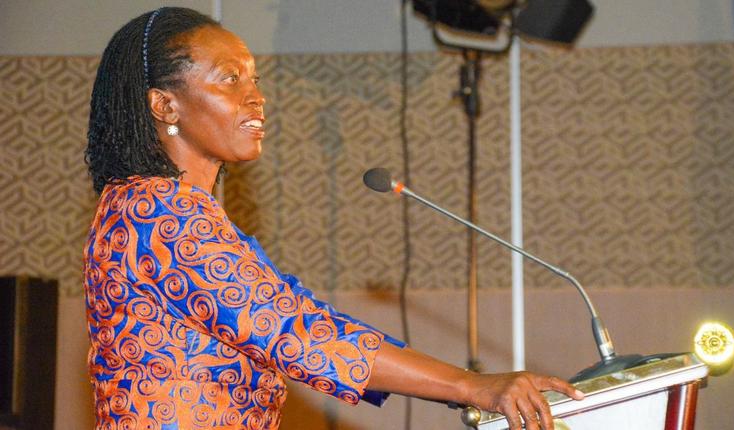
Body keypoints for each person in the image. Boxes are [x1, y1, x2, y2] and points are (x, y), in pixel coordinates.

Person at [83, 7, 583, 430]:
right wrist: (472, 385)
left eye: (255, 79)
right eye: (229, 79)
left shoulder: (153, 205)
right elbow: (293, 334)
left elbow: (304, 318)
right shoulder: (158, 209)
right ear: (164, 103)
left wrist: (466, 387)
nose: (255, 97)